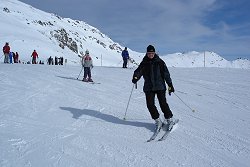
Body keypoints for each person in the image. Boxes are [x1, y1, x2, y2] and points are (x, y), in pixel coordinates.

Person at [132, 45, 175, 132]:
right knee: (150, 105)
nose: (151, 55)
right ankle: (158, 121)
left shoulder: (160, 62)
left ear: (154, 53)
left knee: (163, 104)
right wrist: (135, 77)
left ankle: (169, 119)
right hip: (149, 87)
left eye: (152, 53)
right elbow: (138, 71)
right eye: (149, 53)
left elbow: (166, 74)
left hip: (160, 86)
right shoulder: (144, 63)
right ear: (147, 53)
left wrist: (170, 84)